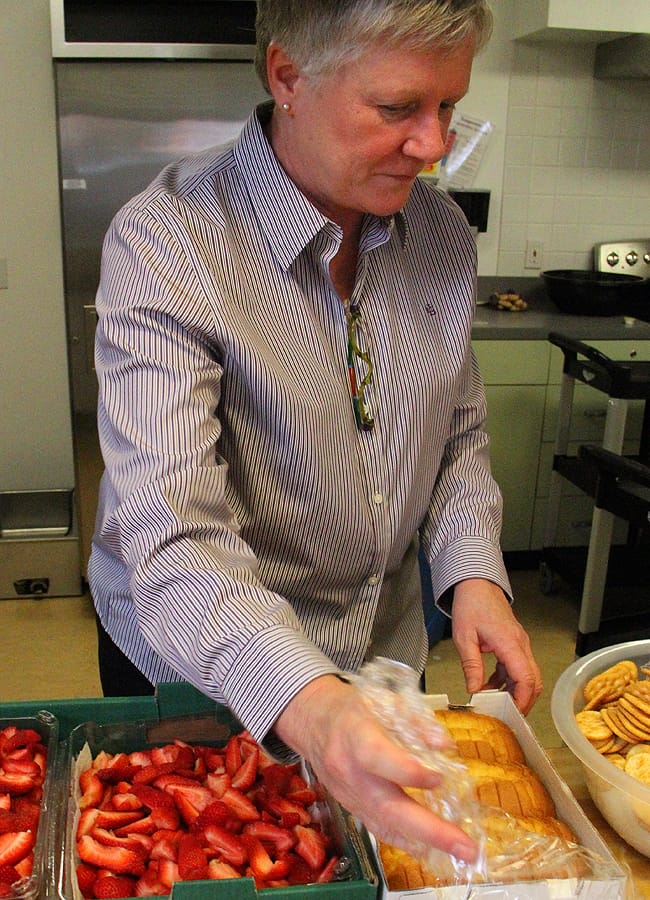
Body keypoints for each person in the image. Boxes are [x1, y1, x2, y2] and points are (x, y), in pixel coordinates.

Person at [88, 0, 542, 866]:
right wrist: (313, 702)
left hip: (383, 655)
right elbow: (174, 534)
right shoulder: (169, 243)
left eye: (449, 107)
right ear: (288, 75)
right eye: (398, 108)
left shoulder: (440, 235)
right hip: (214, 665)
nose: (434, 144)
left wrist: (474, 572)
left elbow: (457, 433)